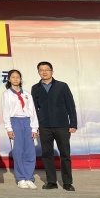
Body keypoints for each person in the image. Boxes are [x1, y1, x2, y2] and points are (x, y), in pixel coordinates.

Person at [31, 61, 77, 191]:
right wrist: (36, 126)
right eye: (41, 70)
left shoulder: (62, 86)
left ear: (52, 71)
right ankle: (51, 181)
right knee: (47, 154)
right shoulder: (35, 88)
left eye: (47, 69)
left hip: (62, 126)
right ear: (38, 72)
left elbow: (70, 105)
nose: (44, 72)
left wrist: (73, 123)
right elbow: (34, 109)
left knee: (65, 154)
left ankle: (67, 182)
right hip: (44, 126)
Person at [3, 69, 38, 189]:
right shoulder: (7, 94)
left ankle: (29, 177)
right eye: (13, 77)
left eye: (17, 77)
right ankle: (21, 178)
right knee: (18, 151)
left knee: (30, 151)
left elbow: (33, 111)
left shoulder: (27, 94)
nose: (15, 79)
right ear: (9, 79)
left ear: (20, 78)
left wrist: (34, 128)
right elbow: (6, 112)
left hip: (27, 122)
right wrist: (9, 128)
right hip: (15, 122)